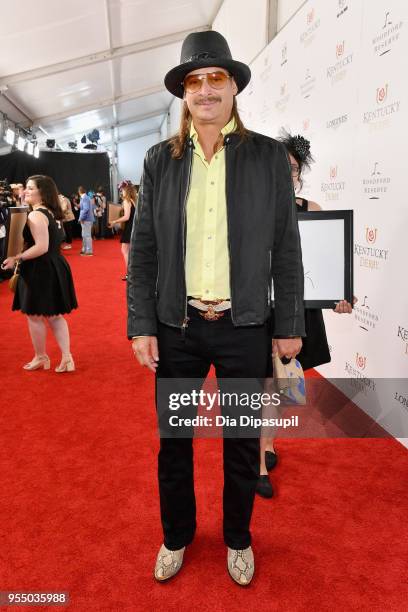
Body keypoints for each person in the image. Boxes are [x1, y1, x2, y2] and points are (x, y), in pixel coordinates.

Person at [127, 31, 305, 586]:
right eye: (194, 81)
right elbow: (146, 251)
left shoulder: (269, 157)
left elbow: (287, 247)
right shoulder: (161, 159)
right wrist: (140, 325)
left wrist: (290, 327)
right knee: (175, 442)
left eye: (215, 79)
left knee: (241, 443)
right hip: (176, 329)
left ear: (232, 87)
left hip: (244, 327)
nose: (205, 90)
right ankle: (176, 536)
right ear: (184, 92)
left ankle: (237, 539)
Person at [256, 132, 355, 499]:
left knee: (279, 385)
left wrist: (341, 294)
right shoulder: (249, 208)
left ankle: (266, 445)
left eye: (293, 167)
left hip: (295, 313)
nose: (286, 173)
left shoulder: (309, 208)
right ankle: (258, 462)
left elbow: (324, 265)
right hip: (256, 310)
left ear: (300, 172)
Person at [1, 175, 77, 372]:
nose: (25, 191)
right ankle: (66, 358)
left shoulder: (36, 215)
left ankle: (41, 357)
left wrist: (16, 257)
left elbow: (41, 247)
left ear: (42, 192)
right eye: (26, 187)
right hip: (53, 266)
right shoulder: (48, 212)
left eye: (30, 188)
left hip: (40, 269)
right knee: (54, 316)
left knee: (35, 316)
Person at [108, 180, 137, 280]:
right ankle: (132, 273)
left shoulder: (127, 200)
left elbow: (126, 217)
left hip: (129, 227)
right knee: (130, 251)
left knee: (125, 250)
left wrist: (115, 221)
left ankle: (130, 274)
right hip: (133, 227)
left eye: (122, 189)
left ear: (125, 189)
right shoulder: (134, 200)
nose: (121, 191)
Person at [78, 186, 94, 256]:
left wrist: (81, 218)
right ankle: (85, 249)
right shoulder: (86, 198)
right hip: (86, 219)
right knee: (84, 235)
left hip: (86, 219)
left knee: (86, 235)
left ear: (79, 192)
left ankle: (89, 251)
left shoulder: (84, 198)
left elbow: (86, 209)